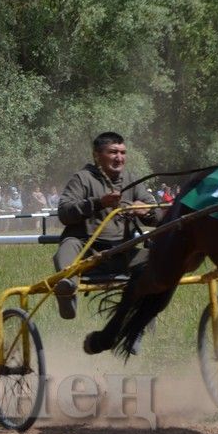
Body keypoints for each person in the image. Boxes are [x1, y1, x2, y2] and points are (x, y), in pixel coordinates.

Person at [52, 132, 158, 320]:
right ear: (97, 155)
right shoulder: (82, 179)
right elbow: (64, 213)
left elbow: (159, 216)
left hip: (122, 252)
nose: (119, 158)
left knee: (161, 261)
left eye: (123, 153)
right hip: (86, 252)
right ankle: (67, 290)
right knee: (68, 246)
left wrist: (147, 211)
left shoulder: (132, 180)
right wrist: (98, 203)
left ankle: (139, 319)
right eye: (113, 152)